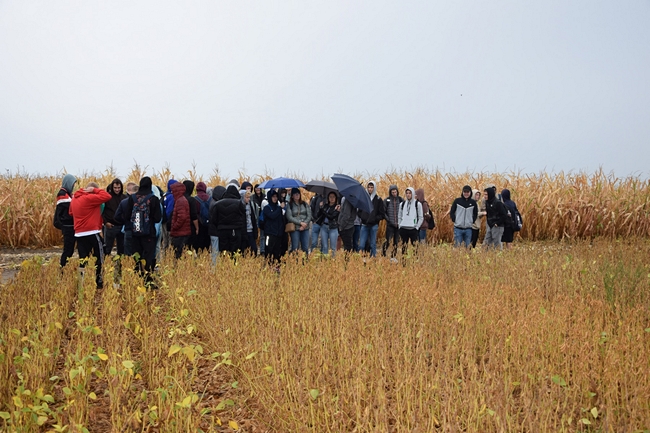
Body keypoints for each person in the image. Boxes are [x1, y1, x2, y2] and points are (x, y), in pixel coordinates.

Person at [69, 182, 111, 288]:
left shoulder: (74, 198)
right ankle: (99, 281)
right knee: (100, 256)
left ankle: (81, 282)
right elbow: (107, 196)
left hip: (79, 233)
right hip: (91, 232)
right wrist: (95, 190)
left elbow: (71, 213)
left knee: (83, 259)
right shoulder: (89, 198)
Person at [123, 177, 162, 285]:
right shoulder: (153, 199)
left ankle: (137, 277)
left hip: (135, 232)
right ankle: (148, 279)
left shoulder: (133, 198)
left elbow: (126, 216)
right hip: (149, 233)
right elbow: (158, 218)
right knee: (148, 255)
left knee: (137, 255)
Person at [212, 181, 246, 255]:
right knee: (234, 251)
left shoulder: (217, 204)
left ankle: (224, 264)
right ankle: (233, 265)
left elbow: (214, 219)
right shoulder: (239, 203)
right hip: (235, 230)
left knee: (223, 250)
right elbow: (243, 217)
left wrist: (220, 226)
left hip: (222, 230)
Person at [53, 174, 77, 267]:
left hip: (70, 226)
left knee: (69, 249)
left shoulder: (67, 194)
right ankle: (63, 268)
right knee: (68, 249)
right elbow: (72, 206)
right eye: (72, 184)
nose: (73, 186)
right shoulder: (62, 194)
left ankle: (65, 267)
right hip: (67, 226)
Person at [357, 181, 385, 257]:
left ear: (374, 188)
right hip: (364, 224)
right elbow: (359, 211)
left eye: (372, 187)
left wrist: (375, 219)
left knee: (373, 244)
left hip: (373, 225)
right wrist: (363, 217)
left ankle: (373, 259)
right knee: (362, 244)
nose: (370, 189)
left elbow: (382, 214)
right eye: (369, 187)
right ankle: (361, 258)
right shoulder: (364, 199)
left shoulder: (378, 200)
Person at [102, 178, 126, 256]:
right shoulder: (107, 198)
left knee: (122, 249)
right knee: (107, 248)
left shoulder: (124, 198)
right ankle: (105, 265)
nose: (117, 190)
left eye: (119, 188)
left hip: (121, 226)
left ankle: (120, 266)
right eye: (115, 188)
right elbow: (102, 211)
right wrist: (105, 222)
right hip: (110, 226)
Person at [114, 182, 138, 256]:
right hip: (139, 231)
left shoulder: (124, 202)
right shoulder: (142, 202)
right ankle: (137, 267)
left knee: (127, 252)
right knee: (137, 252)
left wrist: (124, 221)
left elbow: (116, 216)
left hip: (127, 229)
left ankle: (127, 265)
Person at [285, 188, 312, 254]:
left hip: (305, 227)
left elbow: (309, 215)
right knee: (295, 247)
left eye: (298, 194)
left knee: (305, 247)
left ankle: (305, 261)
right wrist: (300, 223)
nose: (297, 195)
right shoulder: (290, 205)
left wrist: (304, 224)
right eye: (295, 194)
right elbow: (289, 217)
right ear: (292, 196)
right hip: (295, 228)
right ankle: (295, 262)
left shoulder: (304, 204)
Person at [262, 190, 285, 263]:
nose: (275, 198)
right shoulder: (267, 208)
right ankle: (268, 264)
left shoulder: (278, 207)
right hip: (270, 233)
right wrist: (280, 208)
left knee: (277, 251)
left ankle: (276, 265)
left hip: (278, 233)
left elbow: (281, 220)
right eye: (273, 197)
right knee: (269, 250)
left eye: (276, 196)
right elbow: (272, 216)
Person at [169, 182, 191, 259]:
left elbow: (182, 217)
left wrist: (175, 226)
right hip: (182, 232)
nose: (172, 192)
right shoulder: (181, 200)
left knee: (178, 254)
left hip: (180, 233)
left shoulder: (180, 201)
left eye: (173, 191)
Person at [398, 187, 423, 252]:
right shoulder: (402, 204)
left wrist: (417, 227)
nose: (408, 195)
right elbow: (399, 216)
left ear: (413, 194)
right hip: (403, 228)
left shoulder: (417, 204)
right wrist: (399, 225)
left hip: (413, 229)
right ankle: (403, 262)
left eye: (410, 193)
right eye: (407, 193)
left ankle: (415, 261)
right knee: (404, 248)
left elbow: (421, 217)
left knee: (415, 249)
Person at [382, 185, 403, 257]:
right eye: (392, 192)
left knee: (396, 242)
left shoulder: (400, 200)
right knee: (388, 240)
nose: (394, 193)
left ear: (397, 192)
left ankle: (393, 255)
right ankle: (383, 252)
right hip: (390, 225)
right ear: (390, 192)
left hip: (398, 225)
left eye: (395, 192)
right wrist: (388, 220)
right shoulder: (387, 200)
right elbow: (383, 212)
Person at [317, 191, 340, 256]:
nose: (332, 198)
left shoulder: (337, 207)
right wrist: (320, 207)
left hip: (333, 228)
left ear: (336, 198)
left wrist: (323, 211)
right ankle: (325, 261)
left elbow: (331, 217)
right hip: (324, 227)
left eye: (333, 197)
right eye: (330, 197)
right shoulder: (326, 206)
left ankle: (333, 262)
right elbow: (319, 215)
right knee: (324, 246)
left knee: (333, 247)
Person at [208, 185, 226, 263]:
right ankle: (214, 269)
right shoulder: (215, 204)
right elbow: (215, 219)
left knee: (215, 250)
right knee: (215, 251)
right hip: (215, 231)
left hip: (213, 230)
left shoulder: (212, 201)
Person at [194, 182, 212, 252]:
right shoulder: (210, 198)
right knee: (207, 244)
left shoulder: (195, 199)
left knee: (199, 244)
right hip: (208, 224)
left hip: (199, 223)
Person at [182, 180, 200, 251]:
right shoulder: (191, 200)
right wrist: (197, 228)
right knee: (189, 247)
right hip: (189, 227)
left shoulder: (178, 198)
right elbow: (193, 215)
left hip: (179, 227)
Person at [161, 179, 178, 254]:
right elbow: (169, 210)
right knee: (170, 240)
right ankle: (169, 257)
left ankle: (164, 256)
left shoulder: (165, 195)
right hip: (168, 222)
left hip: (163, 221)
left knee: (165, 240)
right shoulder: (171, 196)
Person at [240, 190, 258, 256]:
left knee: (254, 249)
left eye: (249, 197)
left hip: (250, 229)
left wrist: (255, 231)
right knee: (243, 250)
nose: (248, 199)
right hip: (244, 231)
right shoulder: (240, 206)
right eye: (247, 197)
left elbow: (253, 218)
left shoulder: (250, 205)